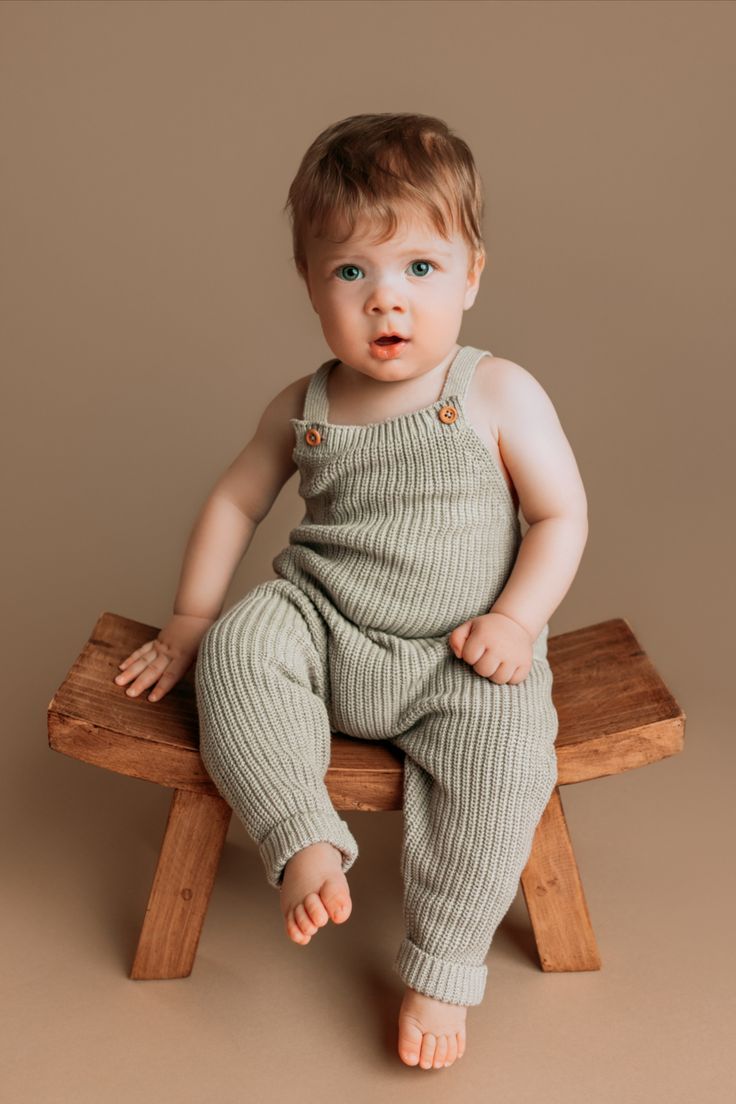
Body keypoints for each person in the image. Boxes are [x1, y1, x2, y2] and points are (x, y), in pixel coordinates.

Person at [114, 112, 589, 1071]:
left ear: (471, 274)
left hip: (460, 652)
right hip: (326, 627)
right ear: (309, 283)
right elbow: (235, 503)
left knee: (507, 762)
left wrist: (516, 617)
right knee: (243, 651)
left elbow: (561, 517)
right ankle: (302, 840)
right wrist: (192, 622)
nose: (387, 303)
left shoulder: (495, 391)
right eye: (351, 273)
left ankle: (444, 963)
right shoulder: (305, 404)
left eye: (419, 269)